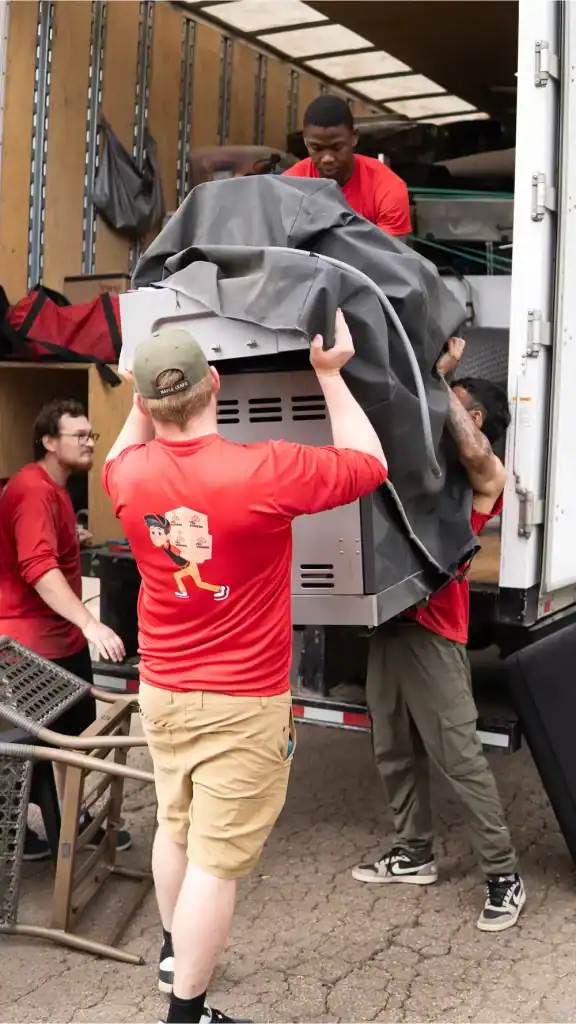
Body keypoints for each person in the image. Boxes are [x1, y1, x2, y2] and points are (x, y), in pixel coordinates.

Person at [102, 312, 387, 1024]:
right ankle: (187, 1012)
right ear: (217, 384)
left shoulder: (127, 477)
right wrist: (329, 376)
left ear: (143, 403)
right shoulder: (264, 469)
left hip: (162, 687)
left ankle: (175, 953)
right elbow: (369, 463)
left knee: (177, 827)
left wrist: (140, 402)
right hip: (242, 700)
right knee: (216, 862)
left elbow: (121, 447)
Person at [353, 337, 526, 933]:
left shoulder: (480, 478)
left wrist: (437, 376)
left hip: (434, 633)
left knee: (459, 757)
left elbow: (480, 456)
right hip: (389, 625)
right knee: (392, 747)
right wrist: (432, 375)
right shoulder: (423, 468)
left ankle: (504, 874)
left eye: (450, 403)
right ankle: (414, 853)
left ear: (471, 417)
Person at [0, 398, 131, 858]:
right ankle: (49, 835)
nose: (90, 441)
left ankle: (57, 826)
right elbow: (36, 568)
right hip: (34, 647)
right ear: (49, 442)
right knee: (47, 746)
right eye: (80, 435)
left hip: (59, 640)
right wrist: (92, 623)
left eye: (92, 434)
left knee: (68, 740)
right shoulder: (33, 490)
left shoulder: (52, 489)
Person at [283, 94, 411, 239]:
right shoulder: (288, 186)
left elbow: (391, 257)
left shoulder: (388, 189)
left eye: (337, 147)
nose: (327, 158)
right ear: (305, 141)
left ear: (354, 137)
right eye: (316, 148)